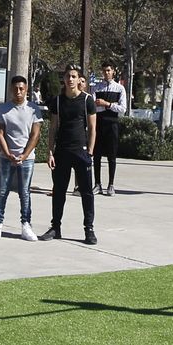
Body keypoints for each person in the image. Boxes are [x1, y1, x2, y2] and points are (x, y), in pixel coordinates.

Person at [44, 65, 98, 244]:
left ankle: (89, 229)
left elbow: (92, 128)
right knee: (59, 191)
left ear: (79, 79)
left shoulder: (87, 100)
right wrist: (50, 151)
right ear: (64, 79)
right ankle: (55, 227)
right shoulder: (58, 101)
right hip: (62, 152)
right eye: (68, 76)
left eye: (74, 76)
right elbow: (53, 128)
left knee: (86, 193)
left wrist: (90, 152)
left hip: (81, 153)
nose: (70, 79)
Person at [0, 76, 42, 241]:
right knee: (3, 191)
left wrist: (25, 155)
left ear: (26, 90)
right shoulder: (3, 109)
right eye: (15, 88)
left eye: (21, 89)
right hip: (6, 157)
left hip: (27, 158)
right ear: (11, 89)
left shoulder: (33, 109)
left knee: (25, 192)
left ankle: (26, 225)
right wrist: (8, 153)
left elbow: (35, 134)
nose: (18, 92)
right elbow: (0, 133)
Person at [90, 62, 128, 195]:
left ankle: (111, 184)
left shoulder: (119, 89)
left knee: (112, 156)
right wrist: (110, 105)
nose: (106, 73)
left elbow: (122, 109)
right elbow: (93, 107)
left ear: (113, 72)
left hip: (112, 125)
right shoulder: (96, 88)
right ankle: (97, 184)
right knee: (96, 155)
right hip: (98, 124)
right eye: (104, 71)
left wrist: (107, 104)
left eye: (108, 70)